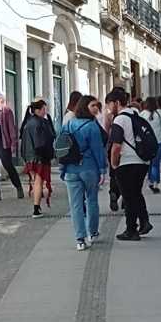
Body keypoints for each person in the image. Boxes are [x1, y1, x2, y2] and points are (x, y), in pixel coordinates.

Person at [60, 94, 107, 251]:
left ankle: (80, 239)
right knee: (92, 200)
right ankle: (92, 232)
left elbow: (61, 148)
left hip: (71, 169)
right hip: (89, 168)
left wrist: (62, 169)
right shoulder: (92, 126)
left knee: (75, 205)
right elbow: (98, 150)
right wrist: (102, 170)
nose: (96, 108)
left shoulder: (68, 124)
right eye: (93, 105)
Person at [106, 87, 152, 241]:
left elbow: (116, 145)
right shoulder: (135, 114)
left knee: (128, 197)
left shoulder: (119, 119)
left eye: (109, 104)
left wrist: (114, 163)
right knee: (136, 193)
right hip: (142, 161)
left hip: (127, 162)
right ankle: (144, 221)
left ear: (117, 103)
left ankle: (131, 230)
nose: (108, 108)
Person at [0, 91, 24, 202]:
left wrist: (13, 144)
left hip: (3, 143)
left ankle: (18, 187)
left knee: (8, 165)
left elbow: (11, 128)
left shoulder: (6, 111)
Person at [21, 99, 56, 217]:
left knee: (35, 180)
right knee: (38, 182)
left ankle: (37, 206)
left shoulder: (27, 122)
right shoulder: (41, 123)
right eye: (44, 109)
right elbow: (45, 140)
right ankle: (36, 208)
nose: (45, 111)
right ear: (38, 110)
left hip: (29, 156)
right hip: (40, 156)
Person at [141, 96, 161, 193]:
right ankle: (155, 183)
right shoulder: (159, 113)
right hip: (159, 141)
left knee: (148, 163)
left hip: (146, 143)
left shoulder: (142, 114)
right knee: (155, 164)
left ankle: (150, 180)